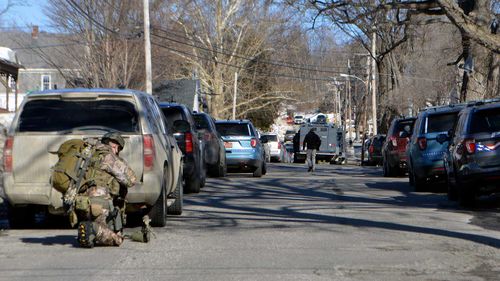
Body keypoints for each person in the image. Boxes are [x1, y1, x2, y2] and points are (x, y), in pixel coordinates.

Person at [77, 132, 137, 247]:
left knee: (96, 231)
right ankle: (93, 229)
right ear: (115, 145)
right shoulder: (108, 157)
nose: (117, 152)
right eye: (118, 149)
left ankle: (90, 230)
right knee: (117, 239)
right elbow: (131, 180)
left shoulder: (87, 154)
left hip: (81, 202)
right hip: (99, 202)